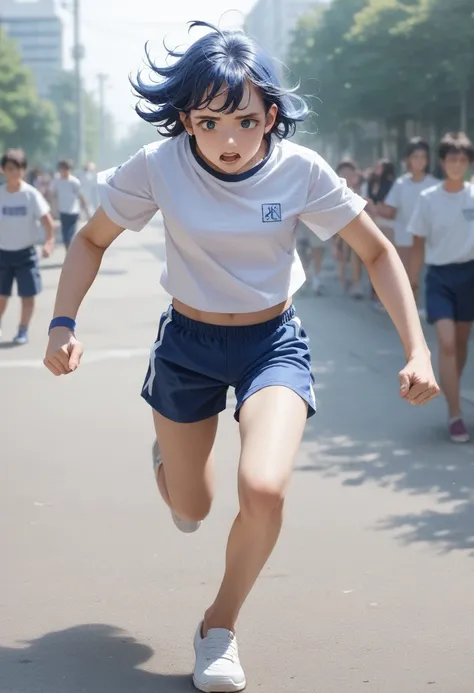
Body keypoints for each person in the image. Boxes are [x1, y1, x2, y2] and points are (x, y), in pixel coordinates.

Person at [44, 23, 439, 693]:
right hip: (187, 348)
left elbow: (375, 250)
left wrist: (418, 348)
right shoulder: (158, 165)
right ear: (185, 119)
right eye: (209, 121)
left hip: (271, 343)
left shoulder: (301, 170)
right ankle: (169, 459)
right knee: (191, 504)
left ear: (272, 115)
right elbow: (88, 241)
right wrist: (61, 322)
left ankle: (217, 628)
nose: (229, 139)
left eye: (246, 120)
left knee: (263, 487)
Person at [409, 132, 474, 444]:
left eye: (462, 160)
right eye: (451, 159)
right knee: (446, 342)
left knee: (461, 344)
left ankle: (452, 386)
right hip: (439, 279)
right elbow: (418, 243)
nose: (457, 165)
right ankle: (454, 413)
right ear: (443, 162)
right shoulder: (428, 198)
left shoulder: (473, 197)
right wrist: (409, 281)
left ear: (469, 164)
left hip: (469, 275)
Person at [0, 148, 55, 344]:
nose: (13, 173)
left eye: (18, 169)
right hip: (3, 254)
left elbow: (48, 222)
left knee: (28, 296)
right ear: (2, 170)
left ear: (23, 170)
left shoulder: (31, 195)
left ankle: (22, 330)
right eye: (9, 169)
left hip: (26, 254)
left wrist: (49, 243)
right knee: (1, 296)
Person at [378, 138, 438, 272]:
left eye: (423, 157)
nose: (419, 160)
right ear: (408, 159)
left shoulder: (435, 185)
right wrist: (371, 208)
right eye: (415, 157)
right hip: (404, 240)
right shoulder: (401, 184)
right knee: (407, 280)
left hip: (428, 244)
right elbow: (390, 211)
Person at [333, 159, 365, 298]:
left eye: (349, 173)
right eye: (343, 173)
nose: (346, 175)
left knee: (354, 253)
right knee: (343, 254)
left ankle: (356, 282)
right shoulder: (333, 192)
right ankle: (345, 279)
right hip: (339, 229)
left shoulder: (362, 189)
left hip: (357, 229)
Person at [50, 160, 90, 250]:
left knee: (70, 235)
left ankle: (70, 254)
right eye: (61, 169)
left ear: (69, 169)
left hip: (73, 212)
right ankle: (68, 252)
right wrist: (52, 209)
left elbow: (81, 195)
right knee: (65, 236)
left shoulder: (74, 181)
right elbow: (53, 195)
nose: (63, 172)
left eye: (65, 169)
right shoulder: (57, 181)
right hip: (63, 211)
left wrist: (86, 209)